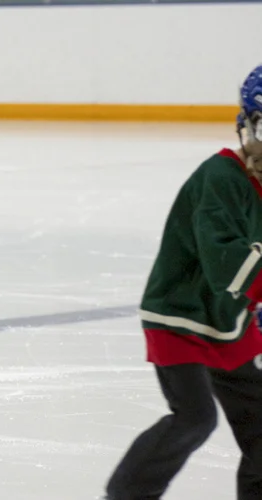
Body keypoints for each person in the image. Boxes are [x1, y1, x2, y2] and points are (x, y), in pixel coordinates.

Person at [104, 64, 262, 500]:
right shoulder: (221, 178)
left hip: (229, 322)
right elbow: (225, 263)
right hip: (180, 316)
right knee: (195, 417)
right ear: (246, 125)